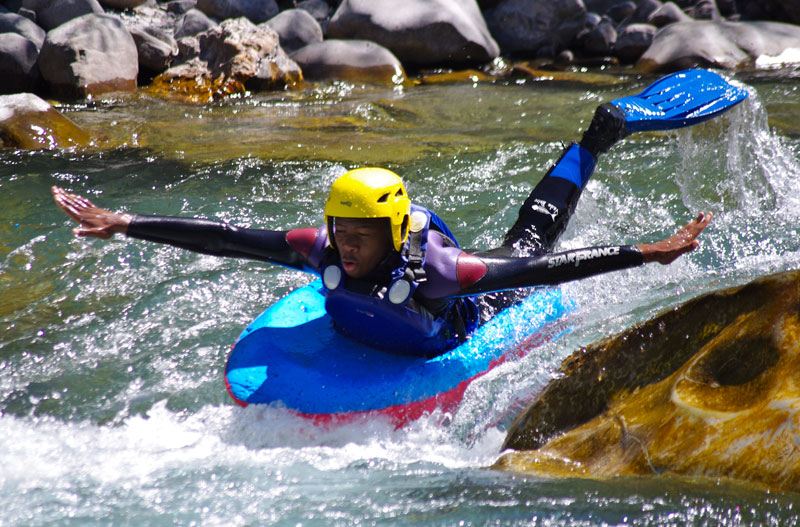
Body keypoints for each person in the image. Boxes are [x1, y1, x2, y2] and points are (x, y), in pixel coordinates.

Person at [53, 104, 711, 357]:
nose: (346, 245)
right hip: (387, 320)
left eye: (361, 235)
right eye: (341, 231)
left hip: (466, 313)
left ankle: (600, 134)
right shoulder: (320, 249)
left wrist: (644, 254)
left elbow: (542, 271)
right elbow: (227, 235)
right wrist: (127, 222)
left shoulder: (442, 271)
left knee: (531, 237)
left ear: (394, 233)